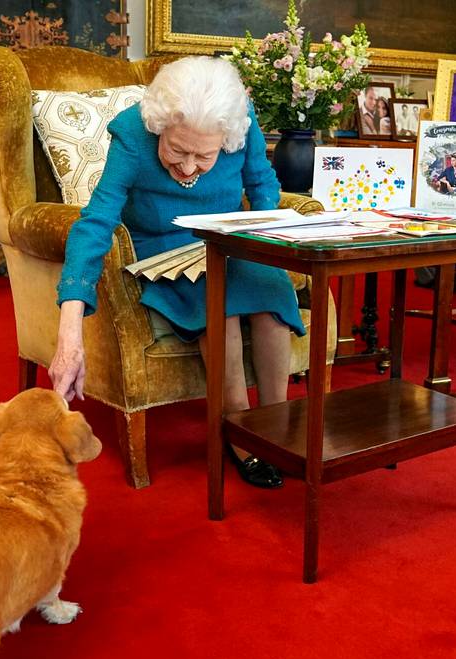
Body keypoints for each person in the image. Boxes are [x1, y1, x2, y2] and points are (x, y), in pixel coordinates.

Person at [50, 56, 305, 489]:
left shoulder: (239, 120)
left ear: (225, 137)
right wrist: (70, 327)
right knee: (218, 306)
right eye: (176, 151)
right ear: (159, 126)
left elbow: (262, 186)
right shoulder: (133, 132)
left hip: (228, 238)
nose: (188, 168)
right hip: (161, 245)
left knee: (271, 298)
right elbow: (95, 222)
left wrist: (267, 244)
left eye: (203, 156)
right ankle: (239, 434)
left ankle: (274, 427)